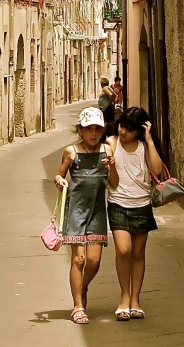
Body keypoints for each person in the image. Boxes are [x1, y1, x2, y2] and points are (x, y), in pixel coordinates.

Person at [54, 107, 118, 324]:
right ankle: (78, 306)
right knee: (79, 259)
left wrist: (113, 167)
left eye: (98, 129)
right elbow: (59, 174)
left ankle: (82, 288)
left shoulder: (107, 151)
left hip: (98, 212)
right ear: (80, 130)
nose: (93, 134)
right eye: (89, 129)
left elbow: (114, 183)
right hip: (76, 211)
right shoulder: (71, 152)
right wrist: (60, 180)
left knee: (94, 260)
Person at [106, 107, 165, 321]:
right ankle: (124, 296)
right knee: (123, 250)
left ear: (139, 131)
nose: (123, 132)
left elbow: (157, 171)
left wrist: (149, 141)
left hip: (142, 205)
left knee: (138, 253)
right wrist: (110, 165)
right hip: (118, 203)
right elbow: (112, 180)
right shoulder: (112, 143)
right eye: (122, 126)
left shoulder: (144, 146)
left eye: (130, 129)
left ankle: (135, 300)